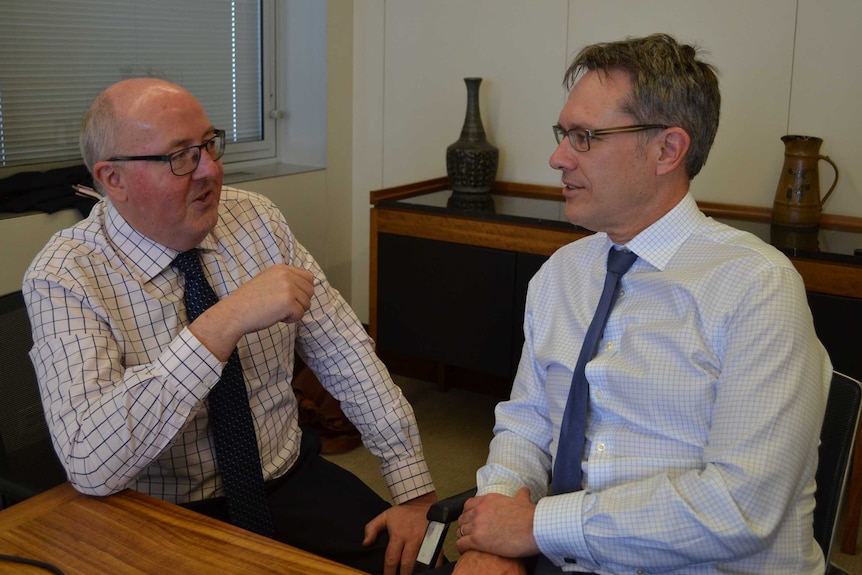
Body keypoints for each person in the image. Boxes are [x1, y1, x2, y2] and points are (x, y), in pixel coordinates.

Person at [446, 33, 831, 574]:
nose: (557, 157)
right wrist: (492, 536)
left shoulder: (757, 288)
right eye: (564, 133)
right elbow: (526, 427)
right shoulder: (561, 274)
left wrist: (534, 528)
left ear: (667, 150)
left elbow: (740, 510)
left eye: (584, 137)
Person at [23, 77, 436, 575]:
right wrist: (224, 321)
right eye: (181, 156)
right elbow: (90, 463)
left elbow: (345, 352)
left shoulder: (257, 219)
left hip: (287, 478)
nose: (211, 170)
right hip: (160, 514)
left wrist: (414, 491)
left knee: (429, 568)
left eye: (210, 145)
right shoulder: (64, 275)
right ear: (113, 180)